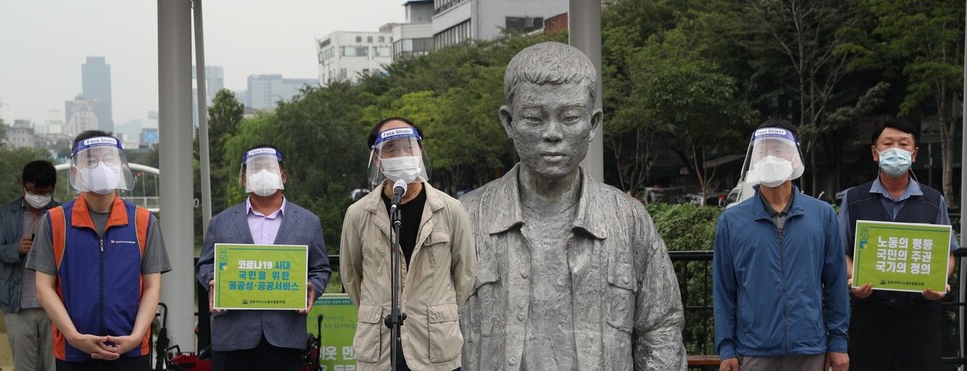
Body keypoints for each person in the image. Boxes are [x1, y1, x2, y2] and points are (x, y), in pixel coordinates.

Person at [458, 41, 687, 370]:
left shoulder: (627, 220)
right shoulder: (465, 219)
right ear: (509, 122)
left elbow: (660, 329)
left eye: (569, 118)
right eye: (535, 119)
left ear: (593, 124)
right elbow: (432, 332)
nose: (553, 133)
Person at [25, 130, 171, 370]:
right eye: (91, 161)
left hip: (131, 349)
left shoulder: (143, 222)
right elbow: (44, 288)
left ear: (120, 166)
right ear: (75, 170)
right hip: (74, 350)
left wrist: (135, 337)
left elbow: (152, 287)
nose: (101, 167)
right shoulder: (55, 221)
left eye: (109, 160)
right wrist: (73, 336)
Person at [340, 117, 476, 371]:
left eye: (408, 147)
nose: (401, 154)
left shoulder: (451, 210)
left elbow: (465, 273)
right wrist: (378, 308)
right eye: (391, 149)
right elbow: (351, 276)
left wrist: (435, 312)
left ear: (420, 151)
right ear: (378, 159)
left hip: (435, 346)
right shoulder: (359, 214)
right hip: (379, 348)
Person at [713, 120, 849, 371]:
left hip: (810, 347)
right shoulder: (732, 221)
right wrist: (726, 348)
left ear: (795, 157)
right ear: (753, 159)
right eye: (763, 151)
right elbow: (724, 289)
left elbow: (835, 283)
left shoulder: (822, 214)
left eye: (779, 150)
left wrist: (838, 341)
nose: (771, 158)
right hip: (753, 349)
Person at [195, 144, 331, 371]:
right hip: (232, 335)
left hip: (284, 335)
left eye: (268, 167)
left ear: (283, 176)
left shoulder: (309, 222)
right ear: (244, 179)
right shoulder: (221, 222)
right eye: (255, 169)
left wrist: (312, 287)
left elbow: (321, 269)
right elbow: (205, 264)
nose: (262, 173)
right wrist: (212, 281)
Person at [838, 118, 957, 371]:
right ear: (875, 152)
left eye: (904, 144)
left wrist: (938, 281)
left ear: (914, 154)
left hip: (920, 314)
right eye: (888, 143)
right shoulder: (854, 199)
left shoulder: (933, 200)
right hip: (870, 311)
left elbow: (948, 254)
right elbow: (842, 253)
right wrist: (855, 278)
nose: (896, 150)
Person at [0, 160, 59, 371]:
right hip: (17, 305)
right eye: (34, 191)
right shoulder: (4, 213)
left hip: (56, 306)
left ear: (52, 190)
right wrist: (16, 249)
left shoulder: (62, 214)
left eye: (45, 193)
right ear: (23, 184)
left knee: (55, 365)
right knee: (24, 366)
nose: (39, 197)